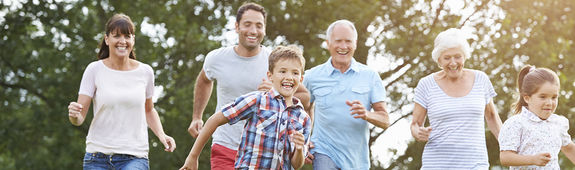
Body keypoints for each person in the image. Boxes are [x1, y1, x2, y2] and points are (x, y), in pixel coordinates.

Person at [186, 2, 309, 169]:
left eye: (259, 25)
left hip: (266, 153)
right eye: (247, 24)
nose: (253, 31)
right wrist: (197, 116)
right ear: (237, 26)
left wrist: (276, 93)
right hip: (226, 144)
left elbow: (305, 96)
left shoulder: (276, 62)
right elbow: (204, 80)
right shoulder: (217, 58)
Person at [67, 14, 176, 170]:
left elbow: (149, 110)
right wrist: (74, 115)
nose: (122, 41)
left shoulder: (145, 72)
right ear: (107, 39)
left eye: (127, 36)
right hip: (97, 158)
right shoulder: (94, 70)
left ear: (133, 40)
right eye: (116, 36)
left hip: (135, 157)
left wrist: (162, 135)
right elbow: (79, 117)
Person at [303, 20, 390, 170]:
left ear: (355, 44)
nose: (343, 47)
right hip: (323, 150)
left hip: (356, 159)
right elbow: (302, 108)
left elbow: (385, 119)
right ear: (328, 43)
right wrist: (304, 140)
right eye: (338, 41)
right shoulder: (312, 76)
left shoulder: (370, 76)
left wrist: (366, 114)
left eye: (348, 41)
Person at [410, 28, 502, 169]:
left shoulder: (481, 79)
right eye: (447, 58)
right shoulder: (426, 84)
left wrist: (508, 146)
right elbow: (415, 124)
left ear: (465, 56)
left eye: (457, 56)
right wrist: (418, 133)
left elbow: (491, 116)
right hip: (436, 165)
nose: (453, 63)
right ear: (439, 60)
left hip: (475, 164)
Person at [499, 65, 575, 169]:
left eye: (554, 97)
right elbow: (505, 157)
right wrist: (532, 159)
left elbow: (569, 148)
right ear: (527, 98)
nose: (549, 103)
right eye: (542, 97)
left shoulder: (558, 123)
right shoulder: (516, 123)